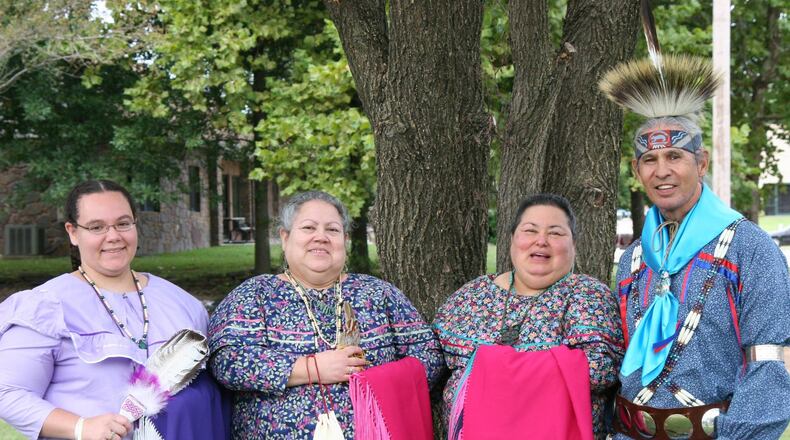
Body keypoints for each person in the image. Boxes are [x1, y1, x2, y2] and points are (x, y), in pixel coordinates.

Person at [600, 50, 790, 437]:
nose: (662, 170)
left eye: (675, 155)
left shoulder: (749, 250)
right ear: (637, 171)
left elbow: (771, 367)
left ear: (701, 162)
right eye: (649, 159)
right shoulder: (635, 259)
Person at [0, 180, 229, 440]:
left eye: (123, 223)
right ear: (73, 232)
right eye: (96, 227)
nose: (113, 236)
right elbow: (8, 393)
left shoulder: (182, 303)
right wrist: (80, 426)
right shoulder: (45, 306)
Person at [208, 190, 445, 439]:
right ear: (285, 237)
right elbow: (227, 361)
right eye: (309, 228)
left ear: (345, 239)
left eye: (332, 230)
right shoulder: (255, 294)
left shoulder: (378, 293)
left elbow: (428, 354)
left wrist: (376, 379)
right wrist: (311, 368)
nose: (320, 237)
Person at [433, 194, 623, 440]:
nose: (541, 241)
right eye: (530, 230)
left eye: (555, 233)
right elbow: (433, 363)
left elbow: (600, 370)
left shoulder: (587, 294)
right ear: (512, 239)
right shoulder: (471, 295)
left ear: (573, 245)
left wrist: (494, 366)